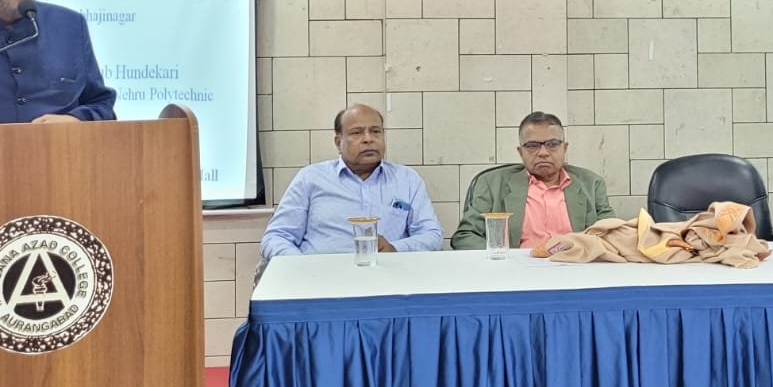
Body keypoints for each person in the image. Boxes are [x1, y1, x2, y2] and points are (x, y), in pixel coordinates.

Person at [260, 104, 444, 258]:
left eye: (376, 131)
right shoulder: (311, 178)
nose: (368, 139)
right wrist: (303, 267)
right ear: (338, 142)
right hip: (323, 279)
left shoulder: (407, 179)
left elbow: (432, 235)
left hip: (389, 277)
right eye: (357, 133)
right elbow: (276, 237)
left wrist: (395, 248)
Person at [451, 111, 616, 250]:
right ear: (520, 152)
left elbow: (612, 235)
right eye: (532, 146)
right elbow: (465, 236)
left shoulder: (591, 184)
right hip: (515, 272)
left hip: (576, 268)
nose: (543, 152)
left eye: (552, 144)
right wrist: (504, 257)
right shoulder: (492, 183)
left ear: (564, 148)